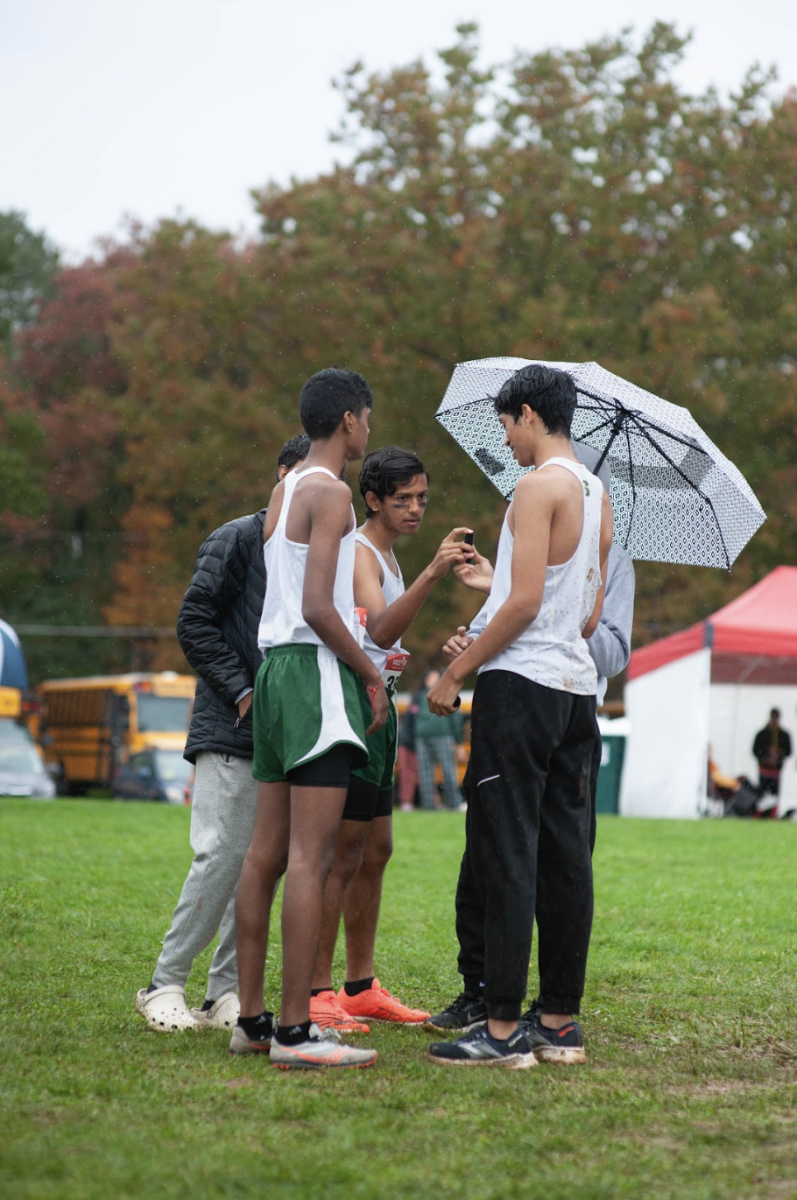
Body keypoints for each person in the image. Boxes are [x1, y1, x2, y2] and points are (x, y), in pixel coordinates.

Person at [425, 363, 613, 1069]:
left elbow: (527, 603)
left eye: (505, 425)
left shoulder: (535, 489)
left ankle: (501, 1030)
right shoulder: (597, 495)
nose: (505, 440)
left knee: (506, 852)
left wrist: (454, 669)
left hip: (521, 686)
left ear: (527, 413)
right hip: (574, 690)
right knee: (565, 856)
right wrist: (493, 581)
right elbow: (585, 610)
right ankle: (559, 1024)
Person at [231, 367, 388, 1070]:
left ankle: (251, 1019)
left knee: (264, 853)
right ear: (351, 420)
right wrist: (369, 673)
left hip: (271, 677)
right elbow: (321, 608)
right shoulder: (330, 496)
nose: (368, 430)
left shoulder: (283, 487)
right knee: (310, 857)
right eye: (368, 419)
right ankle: (295, 1032)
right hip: (312, 674)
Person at [135, 434, 310, 1033]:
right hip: (231, 727)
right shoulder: (237, 537)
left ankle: (225, 992)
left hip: (283, 735)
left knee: (262, 862)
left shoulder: (310, 550)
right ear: (283, 473)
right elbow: (194, 621)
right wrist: (243, 692)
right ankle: (164, 984)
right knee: (222, 857)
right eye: (305, 476)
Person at [427, 538, 634, 1038]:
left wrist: (554, 619)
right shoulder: (528, 536)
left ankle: (547, 1008)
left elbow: (613, 652)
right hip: (512, 698)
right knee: (485, 856)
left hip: (566, 709)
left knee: (559, 861)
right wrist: (469, 644)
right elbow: (500, 617)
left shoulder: (614, 555)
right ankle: (478, 991)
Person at [309, 445, 474, 1031]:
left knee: (377, 850)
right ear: (372, 498)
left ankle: (359, 985)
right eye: (401, 499)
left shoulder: (388, 554)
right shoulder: (358, 550)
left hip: (384, 707)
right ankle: (317, 991)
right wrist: (433, 571)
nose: (414, 509)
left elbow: (388, 642)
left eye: (422, 498)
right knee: (341, 854)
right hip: (355, 706)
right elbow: (378, 627)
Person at [414, 668, 465, 810]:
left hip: (432, 735)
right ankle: (443, 804)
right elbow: (455, 718)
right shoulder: (427, 694)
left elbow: (455, 719)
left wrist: (459, 742)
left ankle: (441, 804)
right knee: (438, 771)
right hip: (432, 735)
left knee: (436, 772)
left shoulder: (429, 694)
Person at [752, 709, 792, 815]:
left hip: (776, 771)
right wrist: (766, 757)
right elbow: (755, 750)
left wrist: (778, 754)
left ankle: (772, 814)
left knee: (775, 795)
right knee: (762, 793)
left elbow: (788, 751)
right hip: (764, 769)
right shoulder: (762, 734)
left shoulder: (783, 735)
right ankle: (759, 814)